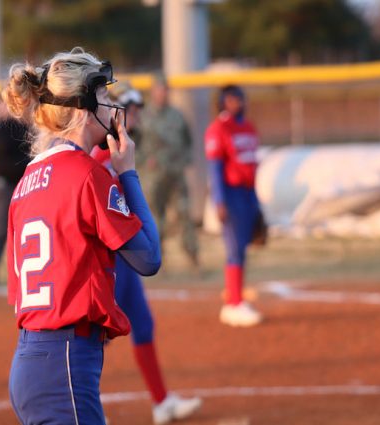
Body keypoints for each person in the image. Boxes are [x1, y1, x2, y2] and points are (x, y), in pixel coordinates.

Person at [3, 47, 161, 425]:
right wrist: (128, 173)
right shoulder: (87, 174)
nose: (110, 102)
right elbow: (148, 257)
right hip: (65, 361)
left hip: (30, 358)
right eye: (103, 95)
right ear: (82, 105)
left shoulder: (25, 183)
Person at [93, 82, 202, 424]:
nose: (137, 115)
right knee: (100, 337)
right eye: (131, 108)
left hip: (125, 256)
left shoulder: (122, 148)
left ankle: (161, 402)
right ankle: (87, 409)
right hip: (112, 257)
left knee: (142, 323)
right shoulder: (102, 154)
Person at [204, 85, 264, 327]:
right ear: (222, 102)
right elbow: (216, 169)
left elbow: (250, 166)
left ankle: (237, 297)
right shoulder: (218, 129)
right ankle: (233, 304)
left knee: (243, 249)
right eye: (231, 99)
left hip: (248, 193)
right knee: (234, 248)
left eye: (240, 98)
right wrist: (219, 201)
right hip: (231, 193)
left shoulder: (248, 127)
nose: (237, 102)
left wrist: (256, 201)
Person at [141, 73, 199, 267]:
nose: (162, 94)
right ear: (153, 92)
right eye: (159, 90)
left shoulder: (177, 115)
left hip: (175, 174)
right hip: (154, 177)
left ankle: (193, 257)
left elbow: (187, 142)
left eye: (165, 90)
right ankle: (158, 261)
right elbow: (135, 145)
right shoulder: (143, 117)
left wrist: (186, 164)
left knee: (184, 214)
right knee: (156, 219)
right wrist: (143, 162)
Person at [0, 100, 30, 289]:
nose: (8, 108)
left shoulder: (24, 127)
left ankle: (23, 276)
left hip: (24, 185)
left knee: (25, 230)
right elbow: (2, 148)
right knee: (0, 230)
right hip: (5, 187)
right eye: (4, 104)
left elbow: (32, 150)